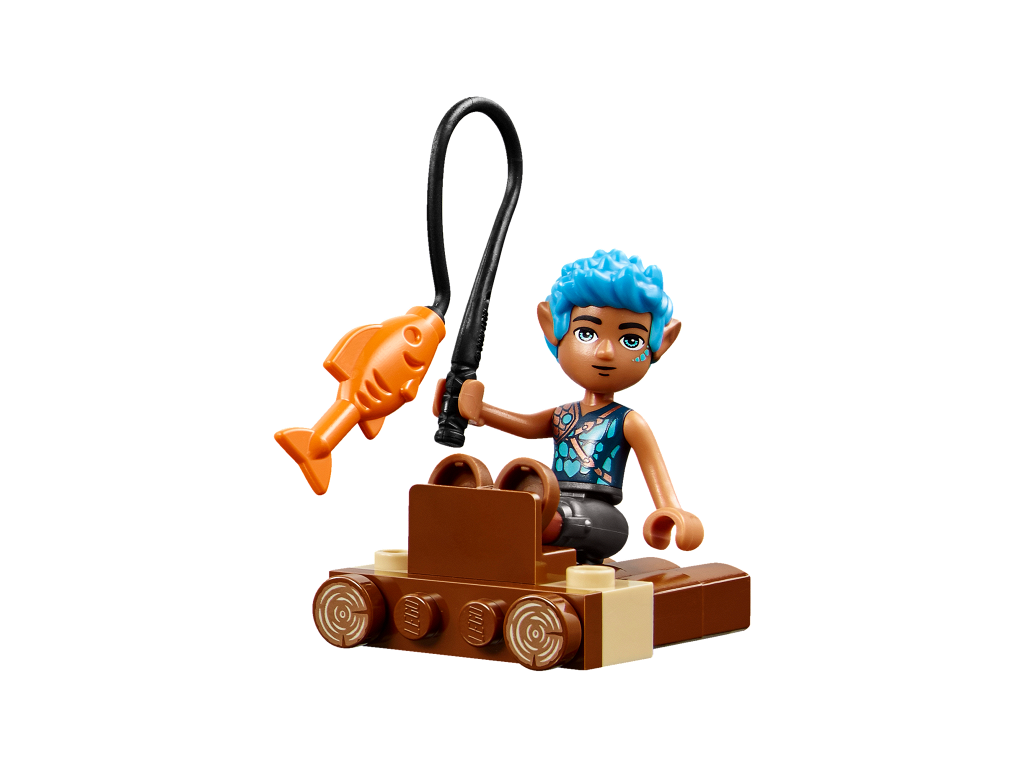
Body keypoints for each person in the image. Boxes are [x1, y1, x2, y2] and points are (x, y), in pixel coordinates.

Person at [456, 249, 704, 564]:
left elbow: (654, 468)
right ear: (552, 328)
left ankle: (530, 525)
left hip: (599, 518)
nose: (605, 352)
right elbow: (527, 425)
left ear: (661, 344)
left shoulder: (626, 421)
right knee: (514, 502)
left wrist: (670, 509)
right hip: (550, 498)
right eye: (586, 333)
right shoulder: (563, 414)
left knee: (546, 516)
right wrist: (478, 410)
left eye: (630, 340)